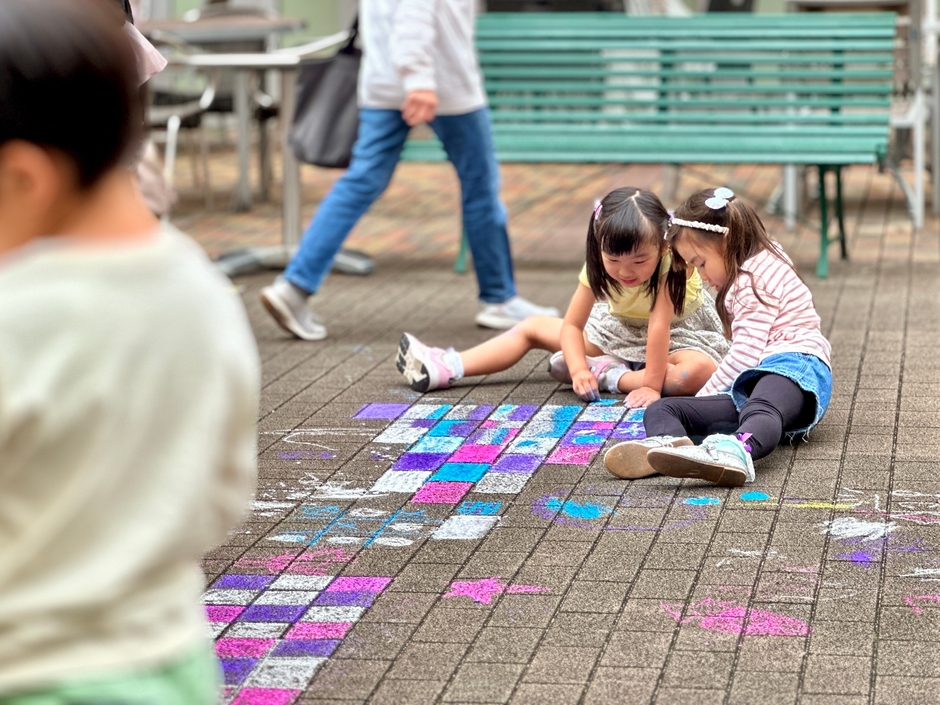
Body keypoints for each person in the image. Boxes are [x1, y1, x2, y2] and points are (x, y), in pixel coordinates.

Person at [0, 1, 260, 703]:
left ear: (25, 178)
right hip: (172, 663)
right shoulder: (201, 287)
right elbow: (223, 494)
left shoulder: (17, 315)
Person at [259, 0, 559, 341]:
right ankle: (500, 297)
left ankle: (294, 287)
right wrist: (419, 80)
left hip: (384, 83)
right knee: (480, 184)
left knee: (360, 182)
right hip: (442, 87)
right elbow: (413, 15)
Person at [396, 187, 730, 407]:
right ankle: (449, 365)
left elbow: (659, 327)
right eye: (613, 261)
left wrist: (651, 388)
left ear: (663, 246)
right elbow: (571, 327)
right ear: (598, 248)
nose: (626, 272)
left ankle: (612, 376)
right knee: (531, 328)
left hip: (676, 337)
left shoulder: (675, 263)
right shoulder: (597, 267)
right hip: (616, 332)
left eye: (639, 261)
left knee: (697, 373)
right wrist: (576, 370)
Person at [603, 187, 833, 486]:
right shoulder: (758, 257)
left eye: (700, 263)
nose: (701, 274)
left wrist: (705, 397)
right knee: (663, 407)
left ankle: (737, 450)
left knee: (760, 407)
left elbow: (744, 355)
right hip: (752, 379)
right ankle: (671, 446)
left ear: (725, 242)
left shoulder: (753, 280)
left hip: (796, 366)